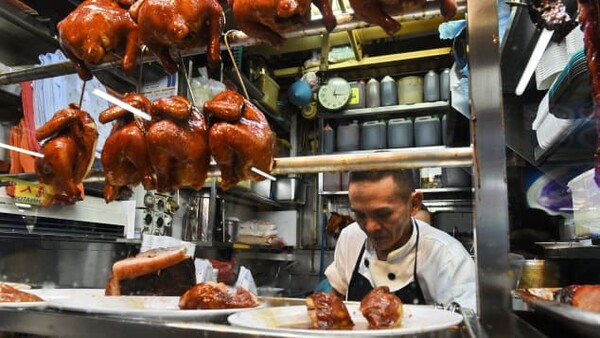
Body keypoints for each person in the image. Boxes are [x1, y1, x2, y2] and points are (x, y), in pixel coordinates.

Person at [324, 169, 476, 310]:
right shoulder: (351, 237)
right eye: (360, 215)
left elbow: (465, 326)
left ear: (413, 204)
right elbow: (337, 297)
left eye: (383, 214)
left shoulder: (448, 258)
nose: (370, 228)